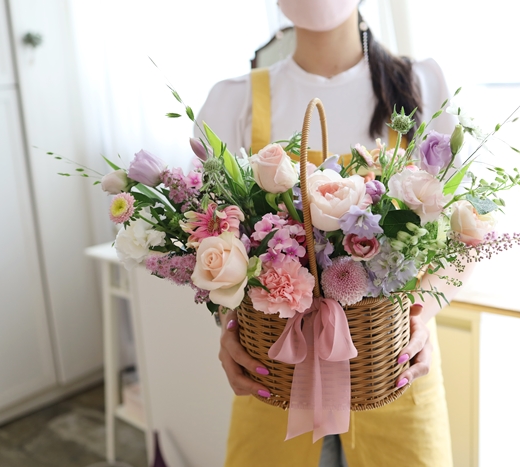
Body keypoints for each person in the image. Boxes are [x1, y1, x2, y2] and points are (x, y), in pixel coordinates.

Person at [195, 1, 472, 465]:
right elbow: (208, 241)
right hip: (275, 370)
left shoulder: (421, 84)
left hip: (394, 363)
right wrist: (229, 328)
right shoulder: (235, 101)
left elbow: (465, 236)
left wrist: (422, 318)